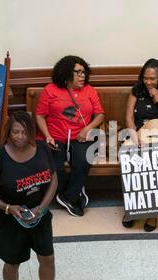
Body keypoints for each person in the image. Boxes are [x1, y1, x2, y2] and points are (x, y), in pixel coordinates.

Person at [0, 111, 58, 280]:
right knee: (12, 263)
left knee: (48, 258)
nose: (20, 137)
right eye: (15, 132)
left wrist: (41, 208)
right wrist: (7, 207)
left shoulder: (42, 149)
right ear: (9, 132)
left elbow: (53, 180)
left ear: (31, 132)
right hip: (10, 219)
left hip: (39, 215)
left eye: (24, 132)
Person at [35, 55, 105, 217]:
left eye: (84, 72)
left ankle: (68, 197)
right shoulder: (50, 90)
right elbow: (40, 116)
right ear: (66, 73)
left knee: (83, 160)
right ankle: (76, 193)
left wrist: (88, 129)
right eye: (78, 72)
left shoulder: (90, 90)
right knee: (55, 167)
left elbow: (100, 115)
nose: (83, 76)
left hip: (81, 137)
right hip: (55, 137)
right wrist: (47, 136)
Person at [122, 58, 158, 232]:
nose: (148, 82)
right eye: (145, 78)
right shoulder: (136, 91)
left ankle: (152, 212)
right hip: (138, 135)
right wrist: (134, 138)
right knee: (130, 157)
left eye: (152, 79)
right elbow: (129, 118)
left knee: (155, 158)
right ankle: (132, 209)